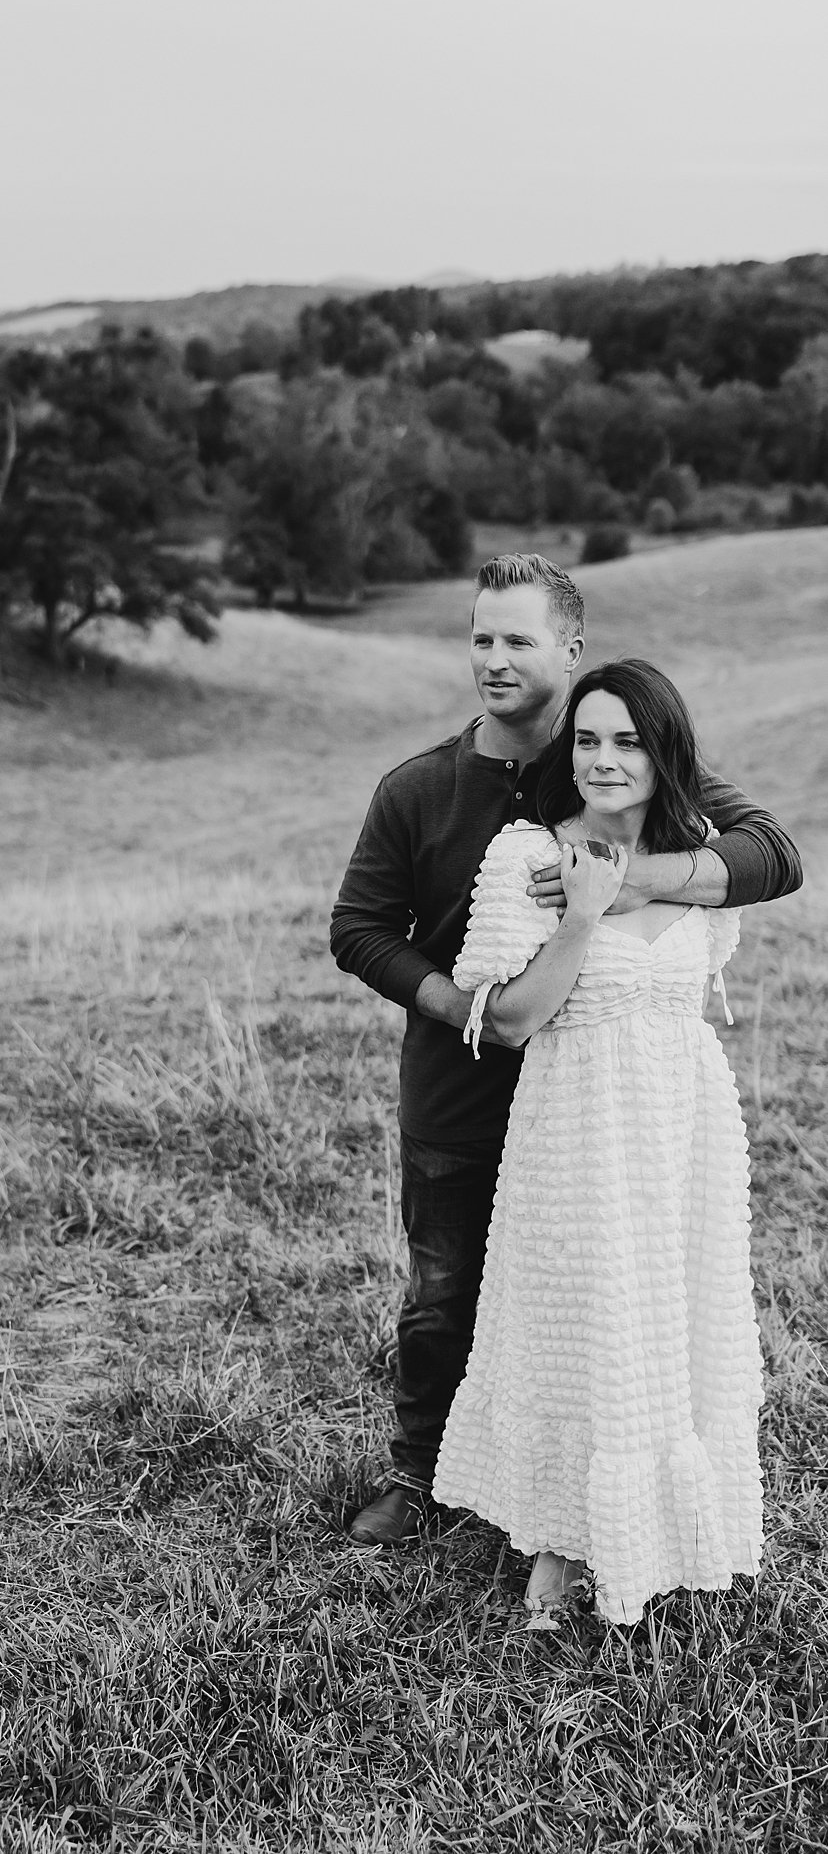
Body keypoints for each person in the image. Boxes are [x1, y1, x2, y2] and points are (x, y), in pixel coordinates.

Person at [329, 555, 801, 1547]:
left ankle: (541, 1503)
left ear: (570, 650)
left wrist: (643, 878)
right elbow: (360, 929)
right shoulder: (418, 788)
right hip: (461, 1090)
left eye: (519, 640)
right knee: (447, 1296)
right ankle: (424, 1480)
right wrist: (450, 1000)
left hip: (597, 1097)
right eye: (480, 638)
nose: (494, 660)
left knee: (579, 1303)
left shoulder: (609, 757)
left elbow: (773, 855)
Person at [433, 660, 763, 1622]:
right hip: (579, 1129)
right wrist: (580, 916)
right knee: (588, 1329)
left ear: (666, 756)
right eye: (587, 740)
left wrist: (642, 886)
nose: (604, 760)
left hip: (684, 1128)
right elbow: (508, 1024)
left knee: (672, 1321)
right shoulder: (524, 859)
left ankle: (670, 1518)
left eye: (627, 741)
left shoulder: (701, 861)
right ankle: (562, 1537)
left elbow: (703, 982)